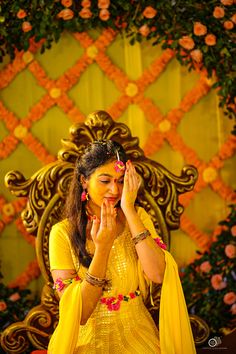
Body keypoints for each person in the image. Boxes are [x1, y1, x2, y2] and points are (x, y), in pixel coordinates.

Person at [48, 139, 196, 354]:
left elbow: (157, 274)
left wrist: (129, 209)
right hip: (87, 338)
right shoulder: (62, 233)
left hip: (137, 333)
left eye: (120, 181)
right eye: (105, 181)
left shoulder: (138, 218)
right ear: (83, 181)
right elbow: (79, 314)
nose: (114, 190)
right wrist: (103, 247)